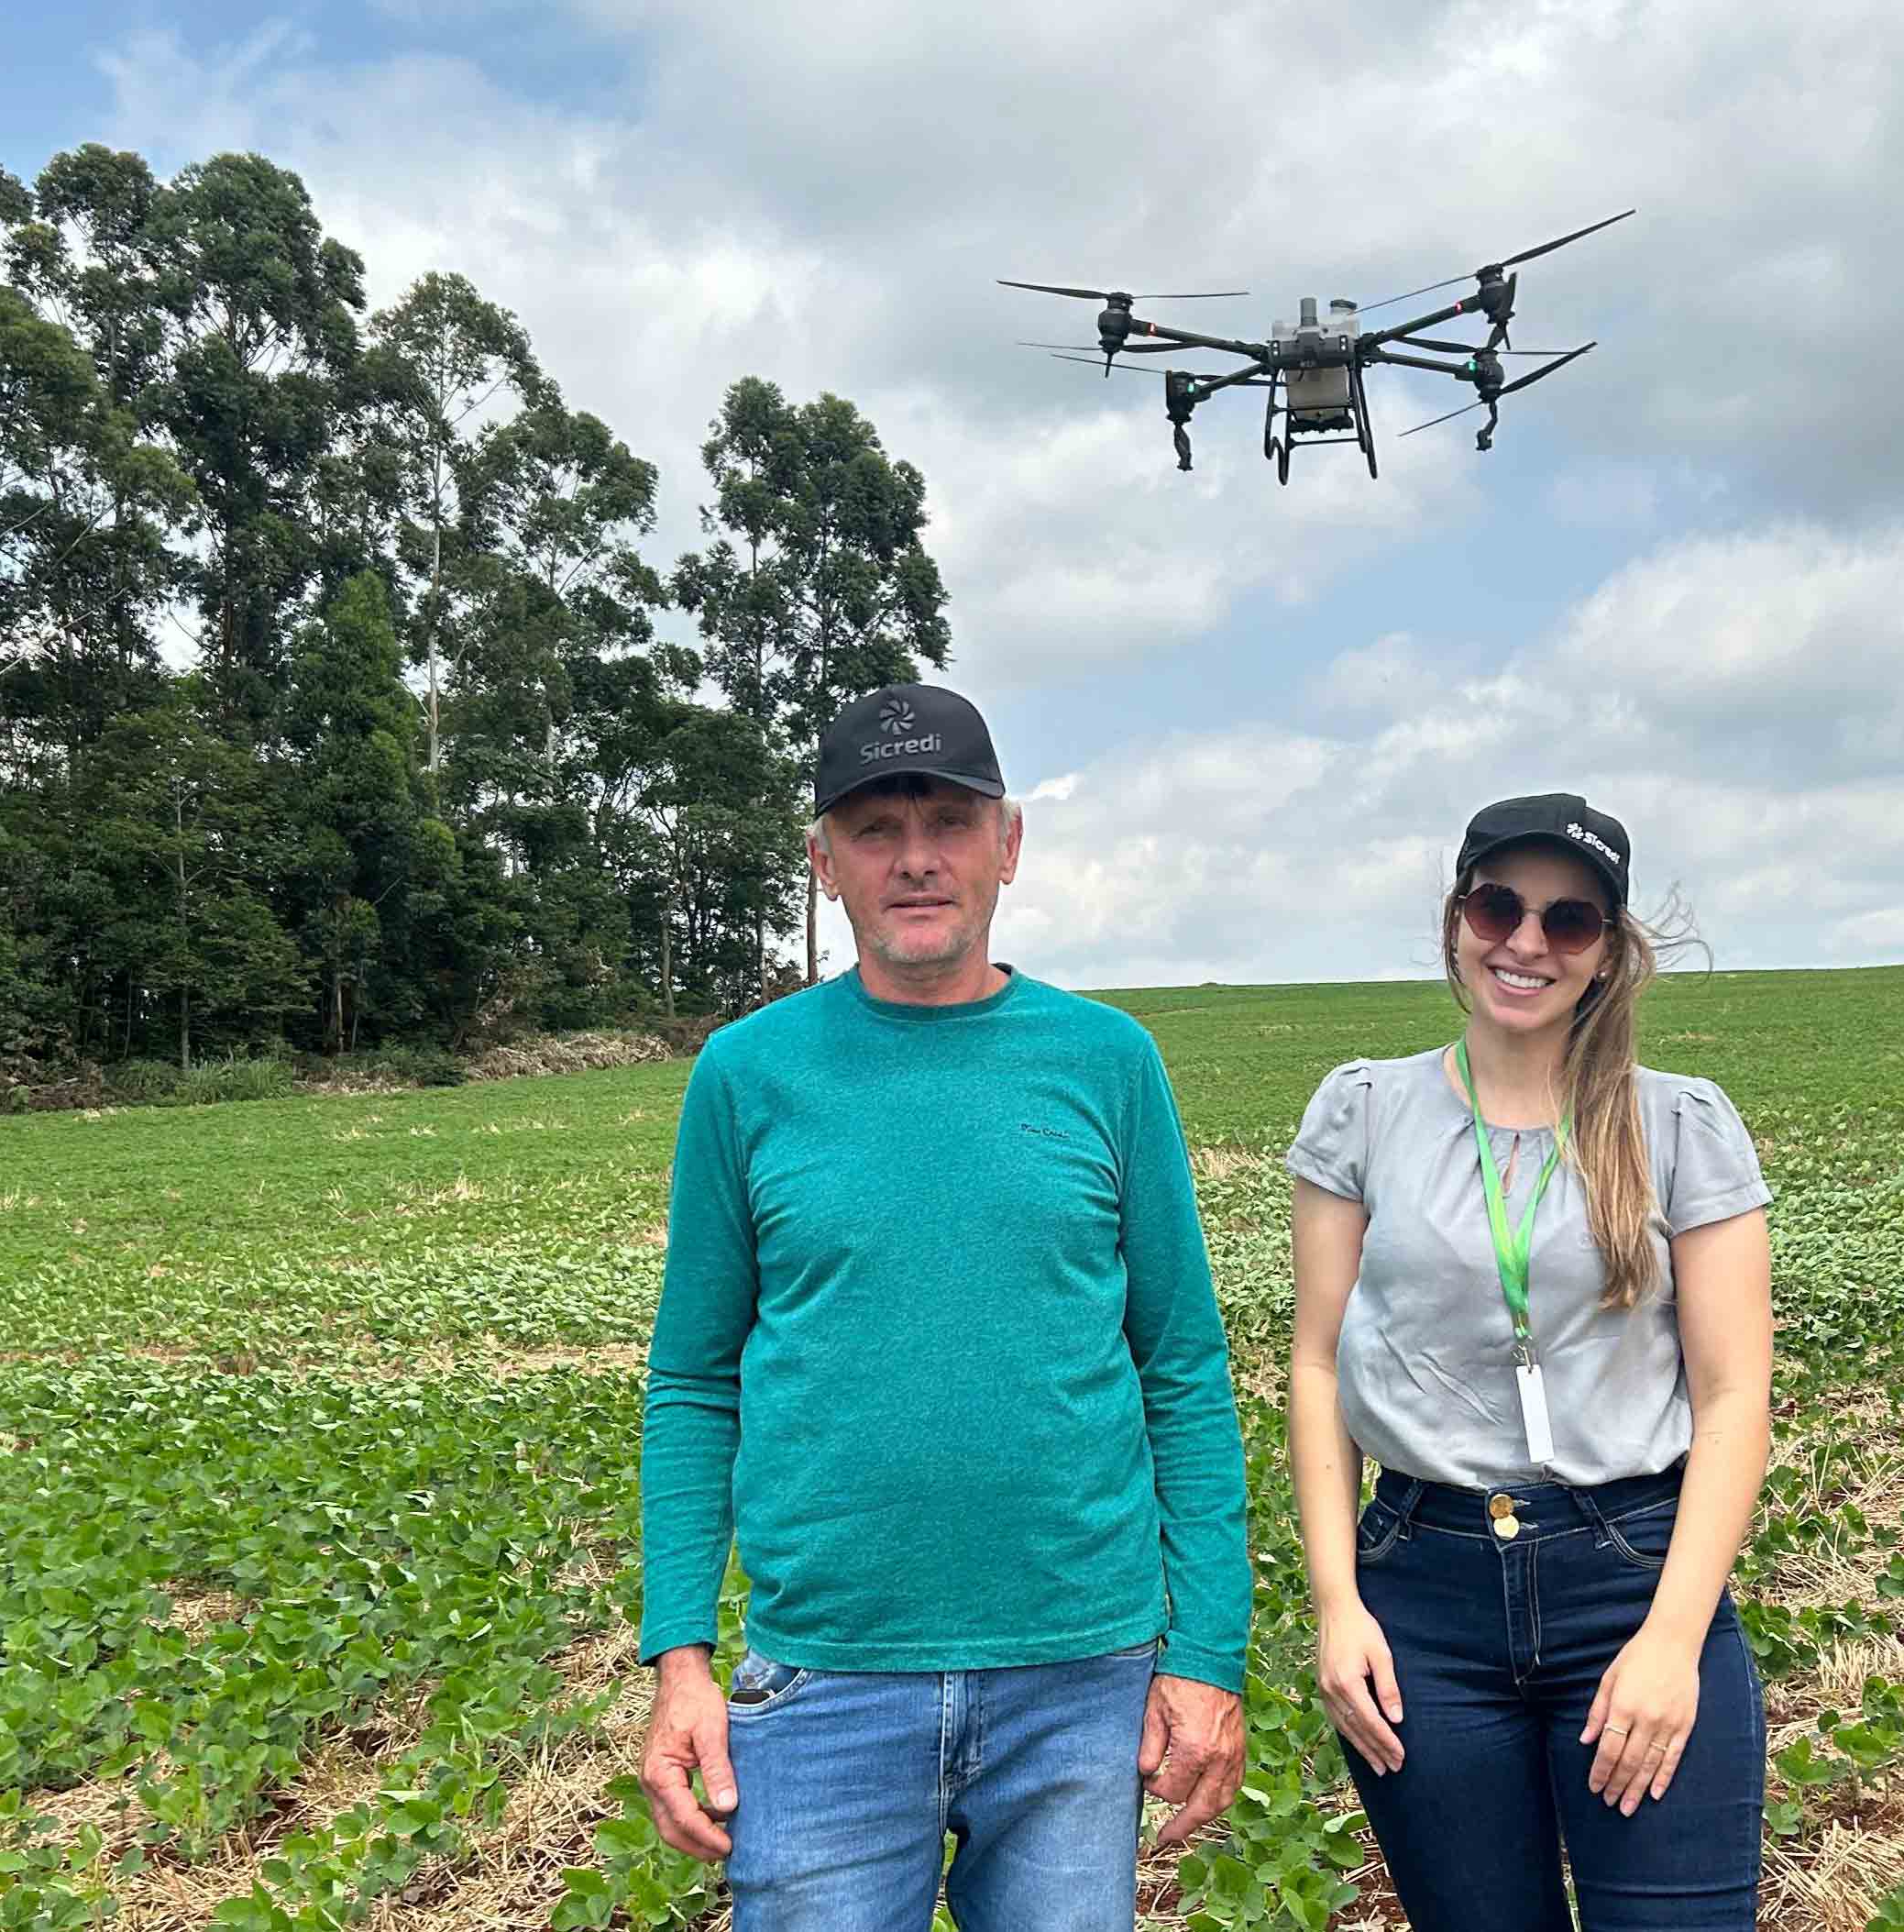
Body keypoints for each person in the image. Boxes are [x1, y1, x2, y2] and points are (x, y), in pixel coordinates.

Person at [636, 682, 1252, 1932]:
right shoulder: (746, 1073)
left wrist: (1205, 1652)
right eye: (875, 828)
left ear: (1006, 844)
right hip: (824, 1679)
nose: (915, 857)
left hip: (1080, 1675)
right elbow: (694, 1380)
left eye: (949, 821)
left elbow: (1180, 1367)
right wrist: (680, 1655)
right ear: (824, 862)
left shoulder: (1107, 1062)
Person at [1284, 793, 1774, 1930]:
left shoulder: (1679, 1126)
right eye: (1498, 906)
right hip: (1424, 1597)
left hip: (1631, 1579)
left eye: (1568, 919)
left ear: (1605, 950)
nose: (1526, 941)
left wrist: (1672, 1640)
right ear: (1457, 917)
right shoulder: (1364, 1111)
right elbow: (1316, 1366)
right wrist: (1337, 1605)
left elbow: (1733, 1395)